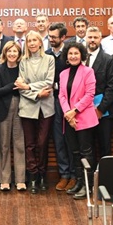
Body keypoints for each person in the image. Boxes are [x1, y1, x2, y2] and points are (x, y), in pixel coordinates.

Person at [17, 30, 55, 194]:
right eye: (29, 40)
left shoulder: (49, 59)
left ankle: (42, 175)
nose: (32, 43)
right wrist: (36, 93)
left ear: (40, 42)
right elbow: (20, 86)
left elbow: (49, 82)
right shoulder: (23, 61)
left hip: (46, 107)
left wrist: (29, 87)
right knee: (30, 144)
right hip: (28, 107)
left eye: (35, 40)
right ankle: (33, 177)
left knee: (42, 142)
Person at [59, 41, 98, 199]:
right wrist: (68, 113)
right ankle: (79, 182)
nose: (73, 56)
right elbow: (61, 95)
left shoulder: (88, 71)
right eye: (70, 53)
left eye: (76, 53)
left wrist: (74, 111)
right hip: (68, 119)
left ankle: (88, 187)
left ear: (81, 55)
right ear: (66, 56)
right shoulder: (63, 73)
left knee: (86, 153)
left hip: (84, 118)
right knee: (74, 153)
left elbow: (90, 94)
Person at [0, 41, 27, 192]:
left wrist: (17, 86)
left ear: (19, 54)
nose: (12, 54)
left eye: (15, 52)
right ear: (5, 53)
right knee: (4, 145)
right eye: (9, 51)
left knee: (19, 144)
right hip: (3, 109)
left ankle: (20, 180)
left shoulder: (23, 68)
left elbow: (26, 87)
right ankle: (4, 180)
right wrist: (14, 85)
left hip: (21, 108)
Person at [47, 22, 74, 191]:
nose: (50, 40)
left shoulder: (70, 54)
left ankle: (73, 175)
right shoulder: (47, 54)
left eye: (54, 37)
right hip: (52, 101)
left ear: (63, 37)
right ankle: (64, 174)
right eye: (49, 37)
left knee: (70, 139)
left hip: (71, 103)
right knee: (58, 139)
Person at [85, 26, 113, 160]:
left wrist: (100, 109)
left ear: (100, 39)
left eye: (95, 37)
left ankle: (105, 178)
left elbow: (112, 87)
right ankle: (90, 179)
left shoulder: (108, 59)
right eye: (90, 37)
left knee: (104, 146)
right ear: (86, 38)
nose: (92, 40)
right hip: (84, 111)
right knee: (87, 147)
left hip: (103, 112)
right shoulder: (80, 57)